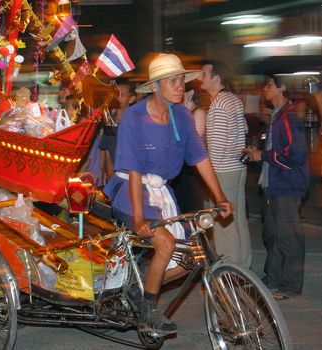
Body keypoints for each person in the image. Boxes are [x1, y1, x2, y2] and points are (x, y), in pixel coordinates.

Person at [103, 53, 232, 334]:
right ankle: (149, 310)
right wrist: (139, 218)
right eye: (173, 82)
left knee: (193, 258)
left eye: (181, 81)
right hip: (130, 191)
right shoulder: (134, 118)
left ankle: (139, 291)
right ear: (156, 86)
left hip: (161, 193)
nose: (180, 87)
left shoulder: (182, 115)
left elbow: (200, 158)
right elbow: (134, 172)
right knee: (165, 243)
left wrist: (220, 197)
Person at [244, 76, 309, 299]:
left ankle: (289, 285)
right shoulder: (277, 116)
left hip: (286, 186)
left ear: (281, 87)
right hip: (274, 184)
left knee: (287, 237)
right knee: (272, 234)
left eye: (269, 85)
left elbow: (296, 155)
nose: (264, 89)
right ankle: (272, 279)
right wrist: (257, 151)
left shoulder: (289, 116)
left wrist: (263, 155)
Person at [198, 60, 252, 268]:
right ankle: (244, 268)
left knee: (223, 225)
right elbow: (244, 131)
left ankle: (230, 271)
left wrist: (209, 173)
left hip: (222, 169)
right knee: (238, 221)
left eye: (204, 74)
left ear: (216, 78)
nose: (201, 78)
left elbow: (216, 147)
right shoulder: (233, 99)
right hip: (237, 167)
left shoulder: (219, 104)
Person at [99, 81, 136, 183]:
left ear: (131, 99)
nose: (117, 97)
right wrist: (110, 173)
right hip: (115, 176)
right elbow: (107, 148)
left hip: (132, 175)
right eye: (115, 94)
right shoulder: (109, 120)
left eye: (122, 94)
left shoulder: (135, 122)